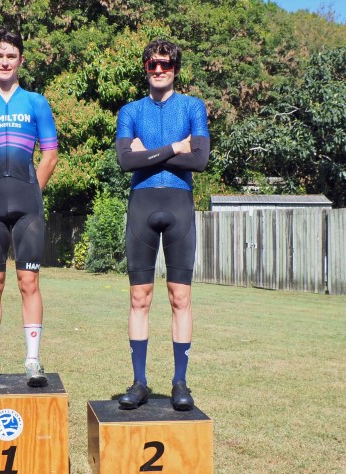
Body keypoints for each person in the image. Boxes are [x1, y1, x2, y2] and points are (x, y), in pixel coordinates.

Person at [115, 40, 210, 411]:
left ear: (175, 69)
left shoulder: (192, 107)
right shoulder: (130, 111)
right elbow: (126, 161)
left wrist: (149, 155)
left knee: (180, 297)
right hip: (142, 206)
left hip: (178, 207)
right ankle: (139, 382)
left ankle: (179, 382)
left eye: (165, 64)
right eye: (152, 64)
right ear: (145, 68)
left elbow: (199, 161)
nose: (158, 70)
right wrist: (174, 148)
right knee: (139, 297)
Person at [0, 27, 59, 388]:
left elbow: (50, 155)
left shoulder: (36, 103)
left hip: (27, 205)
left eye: (11, 56)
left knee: (29, 281)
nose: (5, 62)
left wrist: (31, 191)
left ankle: (33, 361)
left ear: (21, 60)